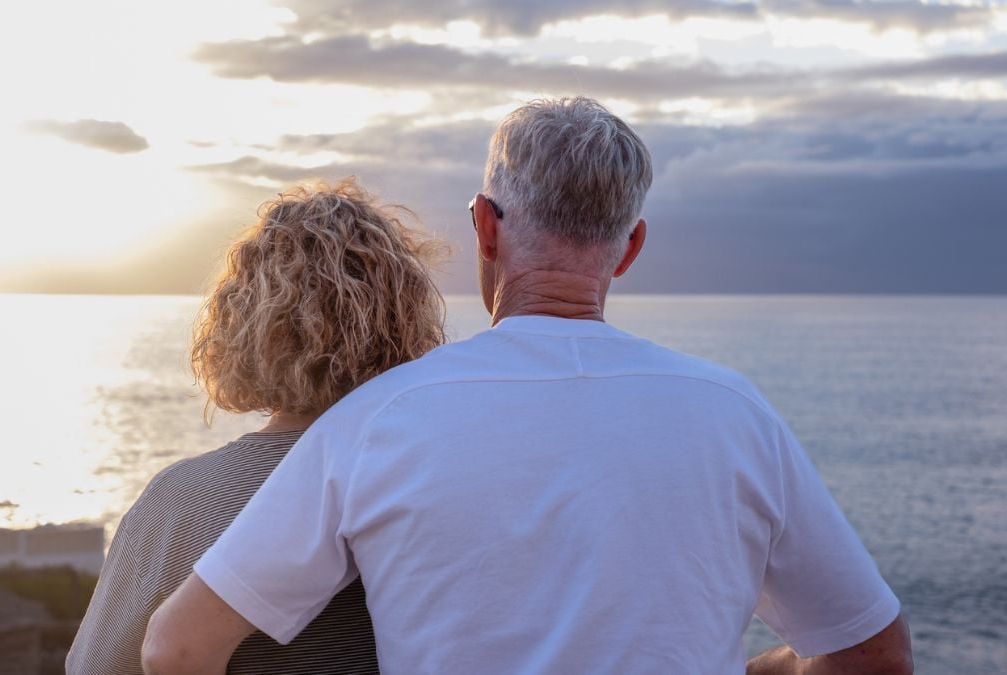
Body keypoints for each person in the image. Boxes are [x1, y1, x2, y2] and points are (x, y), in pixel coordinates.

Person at [142, 98, 913, 674]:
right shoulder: (737, 416)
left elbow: (176, 646)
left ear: (485, 227)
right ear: (630, 248)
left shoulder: (379, 418)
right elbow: (874, 654)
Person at [66, 179, 446, 674]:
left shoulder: (180, 500)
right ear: (406, 319)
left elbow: (96, 667)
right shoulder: (432, 485)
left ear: (242, 321)